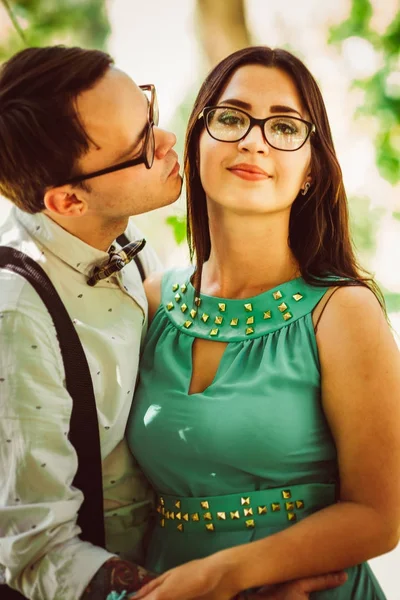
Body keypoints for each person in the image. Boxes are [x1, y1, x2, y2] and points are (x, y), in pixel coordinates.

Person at [0, 45, 347, 600]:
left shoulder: (141, 263)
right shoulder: (16, 312)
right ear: (68, 201)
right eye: (141, 147)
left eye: (150, 115)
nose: (169, 141)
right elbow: (36, 549)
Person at [127, 46, 400, 600]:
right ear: (197, 139)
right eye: (231, 117)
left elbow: (379, 516)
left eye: (283, 126)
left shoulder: (343, 312)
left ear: (310, 169)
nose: (253, 140)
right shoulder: (148, 301)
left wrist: (223, 576)